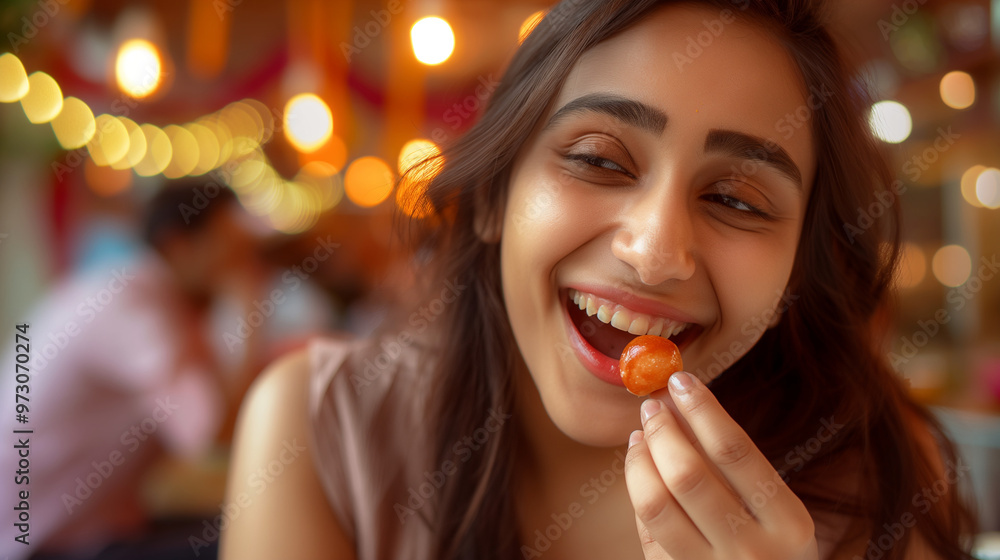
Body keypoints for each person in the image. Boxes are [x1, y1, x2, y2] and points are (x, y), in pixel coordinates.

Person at [221, 1, 978, 559]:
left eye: (736, 199)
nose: (655, 251)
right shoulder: (316, 431)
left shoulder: (879, 484)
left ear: (793, 285)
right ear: (492, 198)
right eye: (599, 160)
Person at [1, 181, 271, 560]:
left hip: (93, 525)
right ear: (177, 244)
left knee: (259, 527)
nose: (247, 264)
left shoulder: (160, 302)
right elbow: (213, 438)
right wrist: (247, 311)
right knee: (266, 542)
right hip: (36, 543)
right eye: (233, 248)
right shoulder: (131, 307)